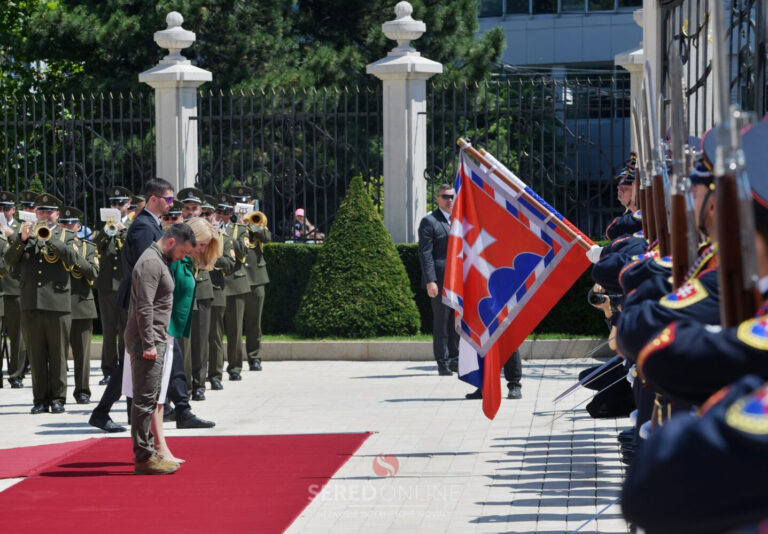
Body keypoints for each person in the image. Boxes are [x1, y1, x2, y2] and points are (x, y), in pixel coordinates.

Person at [89, 178, 214, 432]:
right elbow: (148, 267)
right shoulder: (144, 227)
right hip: (145, 302)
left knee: (166, 354)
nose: (172, 204)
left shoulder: (151, 223)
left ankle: (179, 407)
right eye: (168, 199)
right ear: (154, 199)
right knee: (134, 360)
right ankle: (108, 412)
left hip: (155, 301)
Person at [4, 193, 89, 414]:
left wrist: (50, 238)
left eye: (49, 211)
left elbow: (72, 258)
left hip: (58, 302)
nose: (44, 215)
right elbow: (8, 261)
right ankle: (40, 399)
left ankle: (58, 398)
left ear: (57, 214)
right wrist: (21, 240)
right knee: (36, 353)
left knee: (58, 354)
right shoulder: (25, 234)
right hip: (31, 302)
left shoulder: (66, 235)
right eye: (40, 211)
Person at [126, 223, 195, 475]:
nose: (183, 257)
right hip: (148, 341)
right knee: (144, 401)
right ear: (171, 242)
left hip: (155, 338)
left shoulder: (159, 259)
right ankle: (144, 458)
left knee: (150, 397)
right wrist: (148, 344)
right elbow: (144, 307)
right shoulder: (151, 263)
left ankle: (150, 454)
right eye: (183, 252)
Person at [59, 207, 100, 404]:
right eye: (63, 224)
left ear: (77, 226)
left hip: (82, 305)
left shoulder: (88, 247)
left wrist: (75, 256)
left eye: (70, 224)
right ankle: (57, 393)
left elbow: (93, 273)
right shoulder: (51, 246)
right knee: (56, 354)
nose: (67, 227)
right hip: (57, 305)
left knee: (82, 354)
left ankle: (82, 390)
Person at [418, 184, 459, 376]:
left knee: (455, 322)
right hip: (440, 280)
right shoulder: (429, 221)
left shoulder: (459, 220)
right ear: (437, 198)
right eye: (445, 196)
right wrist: (430, 281)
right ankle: (442, 362)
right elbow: (425, 254)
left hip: (458, 280)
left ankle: (454, 359)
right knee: (441, 322)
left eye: (451, 196)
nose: (449, 200)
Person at [228, 185, 270, 372]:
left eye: (245, 202)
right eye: (239, 203)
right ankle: (234, 361)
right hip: (237, 277)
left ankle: (255, 357)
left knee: (254, 322)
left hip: (256, 277)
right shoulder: (229, 223)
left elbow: (267, 237)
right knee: (234, 325)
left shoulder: (257, 219)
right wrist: (237, 222)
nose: (243, 206)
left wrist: (252, 225)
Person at [177, 188, 214, 400]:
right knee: (184, 342)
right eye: (187, 208)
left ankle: (199, 384)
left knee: (200, 339)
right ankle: (185, 385)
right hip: (182, 290)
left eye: (194, 208)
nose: (190, 212)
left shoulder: (209, 231)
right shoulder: (176, 230)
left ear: (201, 210)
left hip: (201, 287)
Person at [94, 186, 132, 384]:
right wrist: (106, 230)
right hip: (107, 285)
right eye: (113, 204)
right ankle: (108, 370)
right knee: (109, 330)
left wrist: (123, 230)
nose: (116, 207)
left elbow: (135, 247)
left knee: (127, 330)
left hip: (126, 285)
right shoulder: (103, 226)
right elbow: (95, 246)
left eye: (120, 203)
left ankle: (126, 369)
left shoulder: (133, 225)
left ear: (128, 205)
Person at [0, 191, 26, 389]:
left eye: (6, 208)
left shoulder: (21, 227)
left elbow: (31, 248)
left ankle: (16, 374)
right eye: (0, 208)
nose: (3, 212)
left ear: (14, 210)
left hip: (15, 287)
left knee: (17, 336)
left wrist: (13, 236)